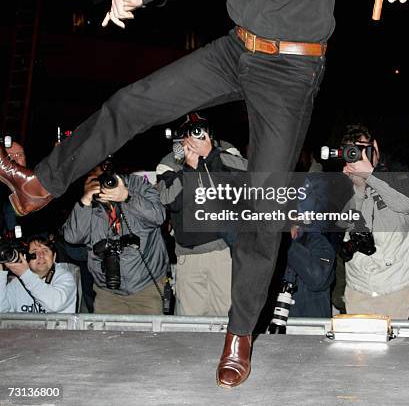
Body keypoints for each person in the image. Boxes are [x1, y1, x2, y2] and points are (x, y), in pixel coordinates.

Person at [0, 0, 409, 387]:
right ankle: (39, 186)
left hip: (291, 69)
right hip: (234, 49)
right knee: (134, 100)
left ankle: (240, 333)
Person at [156, 113, 246, 316]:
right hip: (188, 256)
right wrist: (189, 168)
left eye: (200, 129)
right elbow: (169, 200)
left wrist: (212, 155)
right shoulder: (170, 161)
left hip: (223, 251)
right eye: (190, 131)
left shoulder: (225, 151)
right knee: (191, 325)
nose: (195, 136)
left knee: (227, 317)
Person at [340, 124, 409, 318]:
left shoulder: (400, 173)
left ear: (376, 148)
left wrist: (371, 176)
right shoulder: (344, 183)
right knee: (357, 347)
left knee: (390, 347)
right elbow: (348, 225)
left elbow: (406, 204)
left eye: (364, 150)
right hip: (359, 284)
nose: (359, 156)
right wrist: (359, 189)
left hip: (395, 283)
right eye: (353, 152)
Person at [62, 164, 168, 314]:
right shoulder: (90, 199)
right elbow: (73, 237)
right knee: (107, 337)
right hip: (107, 291)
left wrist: (127, 197)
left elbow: (158, 216)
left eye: (103, 170)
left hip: (146, 287)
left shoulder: (137, 184)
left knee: (149, 336)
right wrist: (85, 201)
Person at [0, 234, 77, 313]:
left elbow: (56, 304)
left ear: (54, 257)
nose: (41, 255)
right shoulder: (17, 284)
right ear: (27, 258)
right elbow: (2, 310)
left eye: (45, 251)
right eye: (34, 252)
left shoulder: (65, 277)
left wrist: (25, 275)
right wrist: (1, 275)